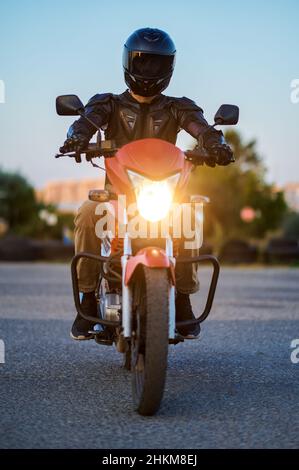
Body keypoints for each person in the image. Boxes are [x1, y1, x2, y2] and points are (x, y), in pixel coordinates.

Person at [59, 28, 233, 341]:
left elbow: (201, 128)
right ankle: (88, 297)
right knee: (87, 212)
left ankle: (182, 298)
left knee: (189, 214)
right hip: (116, 197)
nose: (148, 70)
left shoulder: (177, 107)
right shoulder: (108, 104)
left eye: (156, 64)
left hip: (163, 194)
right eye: (142, 62)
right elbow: (88, 120)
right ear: (128, 63)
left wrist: (215, 142)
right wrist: (77, 137)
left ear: (168, 68)